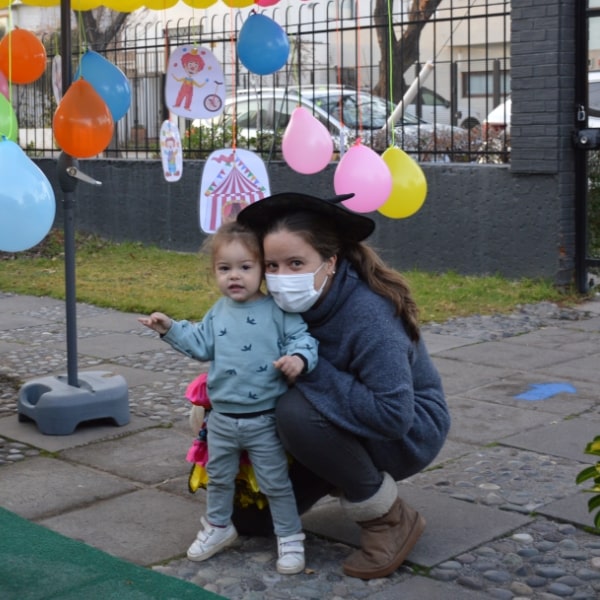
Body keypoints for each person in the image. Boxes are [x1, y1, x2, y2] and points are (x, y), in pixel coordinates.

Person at [235, 192, 450, 580]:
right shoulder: (280, 309)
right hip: (334, 421)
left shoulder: (370, 316)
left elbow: (393, 416)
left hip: (406, 432)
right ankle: (330, 464)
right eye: (272, 266)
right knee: (251, 520)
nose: (282, 278)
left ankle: (388, 519)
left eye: (296, 263)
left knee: (295, 411)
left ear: (330, 262)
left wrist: (307, 370)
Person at [138, 221, 318, 575]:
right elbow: (201, 343)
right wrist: (170, 329)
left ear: (262, 270)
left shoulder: (279, 311)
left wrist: (298, 359)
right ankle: (219, 527)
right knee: (219, 477)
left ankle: (290, 536)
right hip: (221, 420)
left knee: (274, 482)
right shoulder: (218, 311)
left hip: (264, 419)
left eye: (244, 267)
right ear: (215, 273)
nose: (234, 276)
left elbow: (304, 340)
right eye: (225, 269)